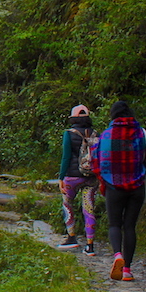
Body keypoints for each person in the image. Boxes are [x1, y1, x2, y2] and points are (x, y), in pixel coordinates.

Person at [94, 100, 146, 282]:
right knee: (130, 226)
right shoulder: (142, 134)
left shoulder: (106, 135)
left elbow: (96, 160)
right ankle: (127, 271)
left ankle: (117, 255)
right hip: (137, 187)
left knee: (114, 225)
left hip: (113, 187)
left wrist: (103, 180)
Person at [57, 105, 99, 255]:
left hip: (72, 177)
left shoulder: (69, 134)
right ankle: (90, 245)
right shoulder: (95, 133)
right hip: (91, 178)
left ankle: (71, 237)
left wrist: (61, 177)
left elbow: (66, 157)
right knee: (89, 209)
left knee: (67, 204)